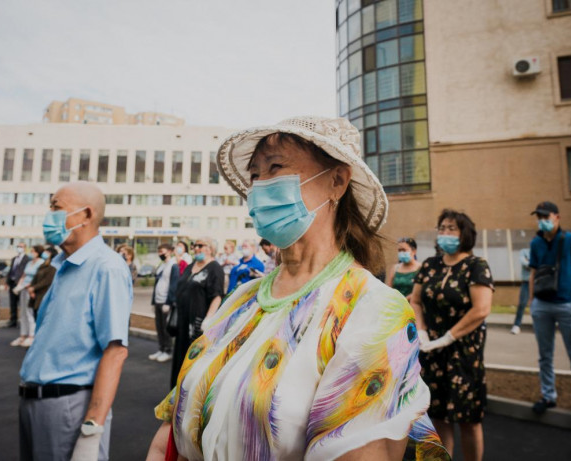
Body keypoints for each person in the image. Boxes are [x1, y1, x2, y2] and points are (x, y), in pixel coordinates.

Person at [147, 116, 447, 460]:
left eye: (275, 167)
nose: (259, 187)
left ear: (337, 181)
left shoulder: (373, 309)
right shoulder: (242, 300)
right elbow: (167, 436)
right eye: (255, 175)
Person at [19, 182, 132, 461]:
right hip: (36, 402)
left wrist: (92, 429)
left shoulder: (106, 267)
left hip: (68, 406)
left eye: (56, 207)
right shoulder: (64, 266)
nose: (49, 215)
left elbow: (115, 351)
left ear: (86, 214)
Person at [409, 209, 494, 461]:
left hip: (463, 354)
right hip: (431, 353)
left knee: (469, 420)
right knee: (438, 418)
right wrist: (422, 332)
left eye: (451, 228)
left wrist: (447, 338)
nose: (445, 233)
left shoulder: (476, 266)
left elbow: (481, 309)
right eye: (442, 228)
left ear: (464, 234)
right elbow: (416, 301)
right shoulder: (429, 265)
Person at [527, 201, 571, 422]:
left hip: (566, 305)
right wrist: (532, 301)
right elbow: (533, 273)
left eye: (546, 216)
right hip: (541, 306)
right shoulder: (536, 243)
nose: (542, 221)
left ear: (557, 217)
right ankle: (548, 396)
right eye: (539, 217)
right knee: (545, 356)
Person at [169, 236, 223, 389]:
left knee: (193, 359)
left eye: (200, 245)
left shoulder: (214, 268)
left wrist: (208, 319)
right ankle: (176, 392)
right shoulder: (190, 266)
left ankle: (189, 393)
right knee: (180, 356)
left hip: (197, 323)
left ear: (210, 249)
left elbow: (217, 296)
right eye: (195, 245)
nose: (196, 248)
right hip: (182, 320)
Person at [149, 243, 179, 363]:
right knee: (159, 326)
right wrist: (153, 301)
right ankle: (161, 348)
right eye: (159, 251)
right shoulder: (161, 266)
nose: (160, 254)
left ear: (169, 251)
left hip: (166, 301)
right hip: (158, 301)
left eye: (162, 251)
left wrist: (169, 302)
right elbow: (157, 284)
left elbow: (173, 285)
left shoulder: (173, 265)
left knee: (166, 328)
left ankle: (168, 350)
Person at [10, 245, 44, 347]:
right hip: (23, 289)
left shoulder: (41, 263)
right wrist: (20, 285)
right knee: (23, 312)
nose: (31, 253)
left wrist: (30, 286)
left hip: (31, 290)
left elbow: (38, 278)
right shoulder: (29, 263)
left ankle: (31, 335)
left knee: (30, 313)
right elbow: (24, 275)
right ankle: (23, 335)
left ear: (38, 252)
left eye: (33, 251)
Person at [26, 246, 58, 317]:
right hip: (36, 294)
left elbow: (47, 281)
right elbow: (35, 277)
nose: (44, 253)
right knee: (35, 314)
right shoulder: (42, 265)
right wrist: (31, 289)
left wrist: (33, 288)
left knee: (41, 315)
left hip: (43, 294)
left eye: (47, 252)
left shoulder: (53, 267)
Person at [6, 242, 29, 328]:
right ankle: (13, 320)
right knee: (13, 303)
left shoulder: (27, 259)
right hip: (12, 282)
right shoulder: (14, 259)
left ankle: (23, 321)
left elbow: (25, 271)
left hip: (20, 284)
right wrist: (7, 282)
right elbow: (11, 270)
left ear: (25, 248)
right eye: (18, 246)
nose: (19, 248)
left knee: (22, 303)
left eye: (21, 246)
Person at [511, 248, 530, 335]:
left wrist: (529, 262)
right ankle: (517, 325)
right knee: (522, 304)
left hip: (539, 281)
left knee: (540, 305)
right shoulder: (524, 251)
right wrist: (535, 264)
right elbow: (524, 263)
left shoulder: (542, 250)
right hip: (526, 282)